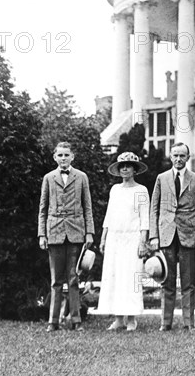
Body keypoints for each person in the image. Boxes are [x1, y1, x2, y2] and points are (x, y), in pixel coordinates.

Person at [150, 142, 195, 331]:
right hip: (167, 235)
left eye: (182, 156)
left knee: (188, 281)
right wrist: (154, 236)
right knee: (167, 280)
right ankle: (165, 323)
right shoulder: (162, 178)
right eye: (175, 155)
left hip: (189, 234)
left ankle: (188, 322)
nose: (178, 159)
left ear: (188, 157)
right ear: (170, 156)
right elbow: (154, 209)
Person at [38, 142, 94, 332]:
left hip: (76, 232)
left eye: (66, 155)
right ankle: (53, 321)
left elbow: (88, 207)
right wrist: (42, 234)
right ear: (55, 157)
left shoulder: (81, 177)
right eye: (60, 155)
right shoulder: (48, 178)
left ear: (72, 157)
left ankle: (76, 321)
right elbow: (43, 209)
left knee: (73, 278)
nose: (63, 158)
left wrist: (89, 233)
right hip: (54, 232)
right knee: (56, 280)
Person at [98, 152, 149, 332]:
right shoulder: (115, 190)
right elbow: (109, 215)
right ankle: (118, 319)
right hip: (115, 238)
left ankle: (131, 318)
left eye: (128, 166)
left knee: (132, 277)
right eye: (122, 166)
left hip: (133, 238)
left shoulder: (141, 190)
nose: (125, 169)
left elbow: (144, 218)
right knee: (115, 276)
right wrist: (103, 238)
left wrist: (143, 242)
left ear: (135, 169)